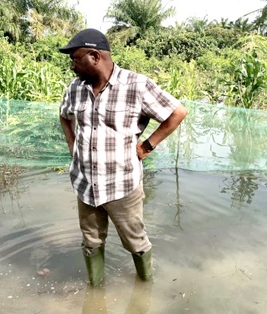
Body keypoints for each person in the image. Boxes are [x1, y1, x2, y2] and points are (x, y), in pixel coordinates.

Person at [58, 28, 187, 286]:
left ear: (94, 56)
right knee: (91, 241)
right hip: (85, 184)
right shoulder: (75, 88)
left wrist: (146, 147)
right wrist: (73, 148)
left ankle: (145, 285)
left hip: (121, 184)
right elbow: (64, 115)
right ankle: (95, 289)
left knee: (135, 241)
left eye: (75, 58)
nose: (72, 66)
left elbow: (177, 113)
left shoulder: (136, 85)